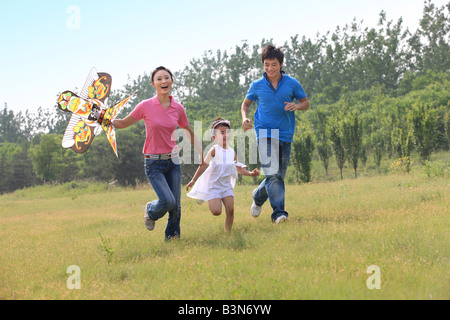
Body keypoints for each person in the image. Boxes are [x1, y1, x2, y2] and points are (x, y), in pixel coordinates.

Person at [113, 66, 203, 240]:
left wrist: (200, 153)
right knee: (168, 202)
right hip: (153, 162)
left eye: (167, 78)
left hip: (173, 161)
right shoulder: (145, 106)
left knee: (176, 207)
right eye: (159, 79)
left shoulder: (178, 108)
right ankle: (151, 211)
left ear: (172, 81)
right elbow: (123, 123)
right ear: (153, 83)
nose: (164, 81)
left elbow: (188, 130)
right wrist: (105, 120)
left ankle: (173, 241)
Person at [241, 44, 310, 224]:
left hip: (285, 134)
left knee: (276, 176)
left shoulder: (292, 83)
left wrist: (296, 105)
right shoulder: (257, 85)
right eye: (266, 64)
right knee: (273, 173)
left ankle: (258, 195)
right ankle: (279, 214)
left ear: (280, 64)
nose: (270, 68)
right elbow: (245, 104)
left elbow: (306, 102)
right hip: (263, 132)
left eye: (273, 64)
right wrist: (244, 118)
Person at [186, 118, 260, 232]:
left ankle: (228, 233)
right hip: (213, 186)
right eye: (222, 133)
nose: (226, 135)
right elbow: (203, 165)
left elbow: (238, 169)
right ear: (214, 138)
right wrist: (193, 180)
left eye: (228, 132)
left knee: (230, 210)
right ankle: (205, 196)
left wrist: (250, 173)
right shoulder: (214, 149)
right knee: (216, 212)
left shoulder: (232, 152)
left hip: (226, 186)